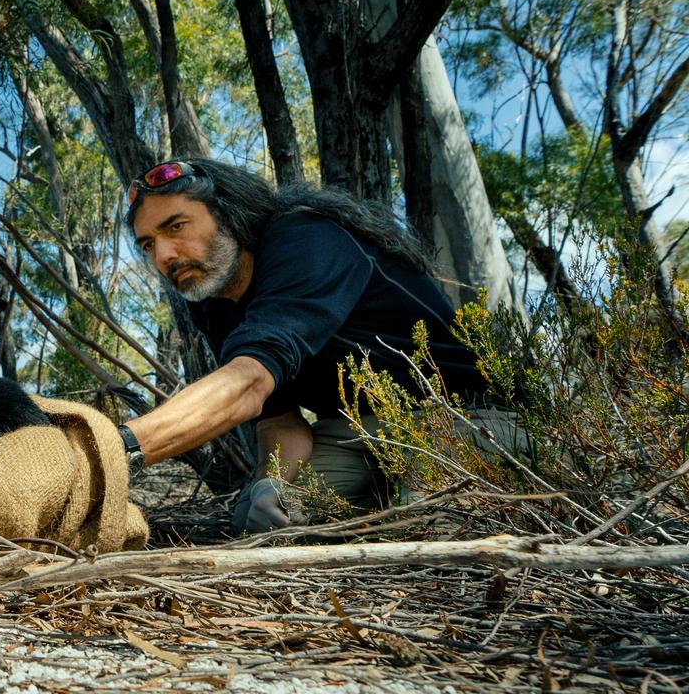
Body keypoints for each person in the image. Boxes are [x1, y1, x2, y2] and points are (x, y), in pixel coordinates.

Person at [114, 158, 510, 533]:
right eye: (148, 244)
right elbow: (278, 419)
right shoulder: (213, 303)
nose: (164, 255)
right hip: (354, 431)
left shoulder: (308, 238)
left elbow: (249, 383)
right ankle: (374, 504)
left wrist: (116, 447)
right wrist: (272, 483)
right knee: (260, 524)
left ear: (230, 214)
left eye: (177, 227)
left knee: (428, 527)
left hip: (466, 416)